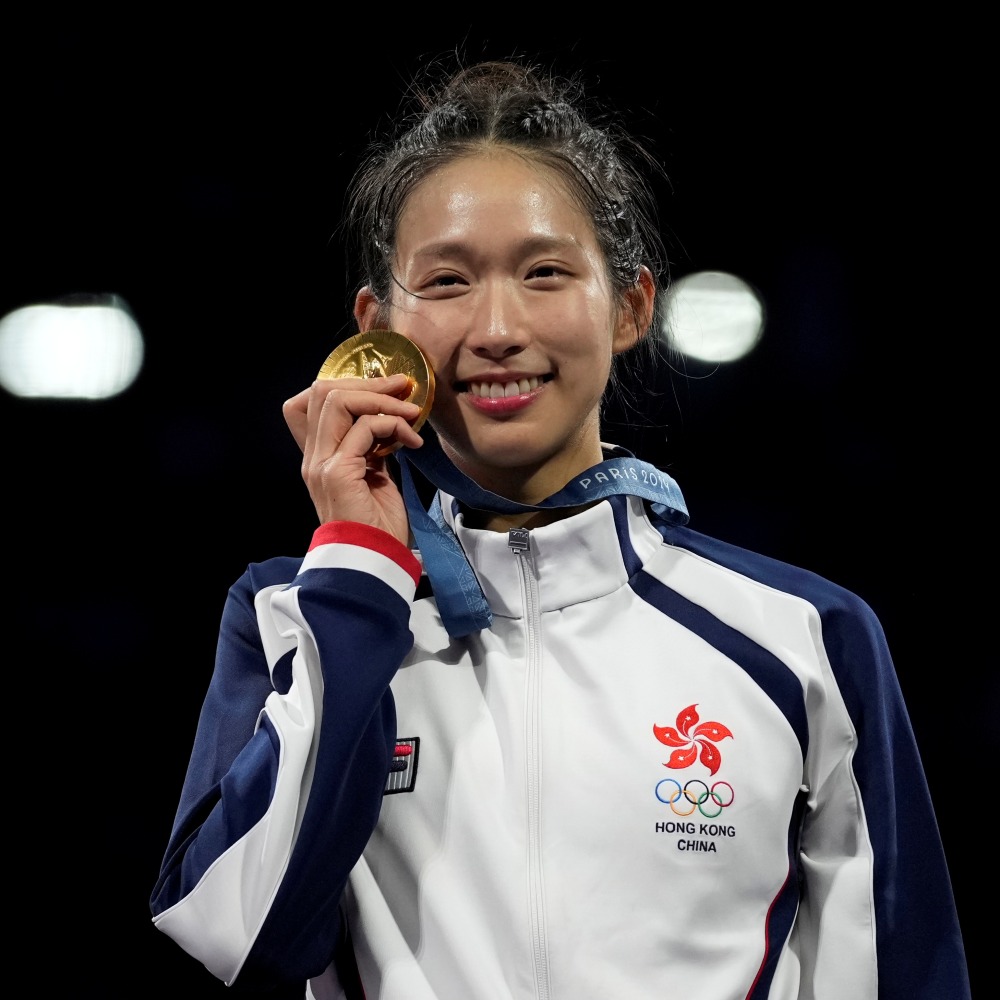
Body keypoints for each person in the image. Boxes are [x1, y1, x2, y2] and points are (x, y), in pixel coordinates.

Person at [149, 60, 970, 999]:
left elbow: (903, 975)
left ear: (628, 306)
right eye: (448, 281)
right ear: (379, 330)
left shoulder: (805, 639)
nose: (498, 327)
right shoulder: (294, 614)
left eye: (545, 273)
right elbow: (242, 940)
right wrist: (361, 574)